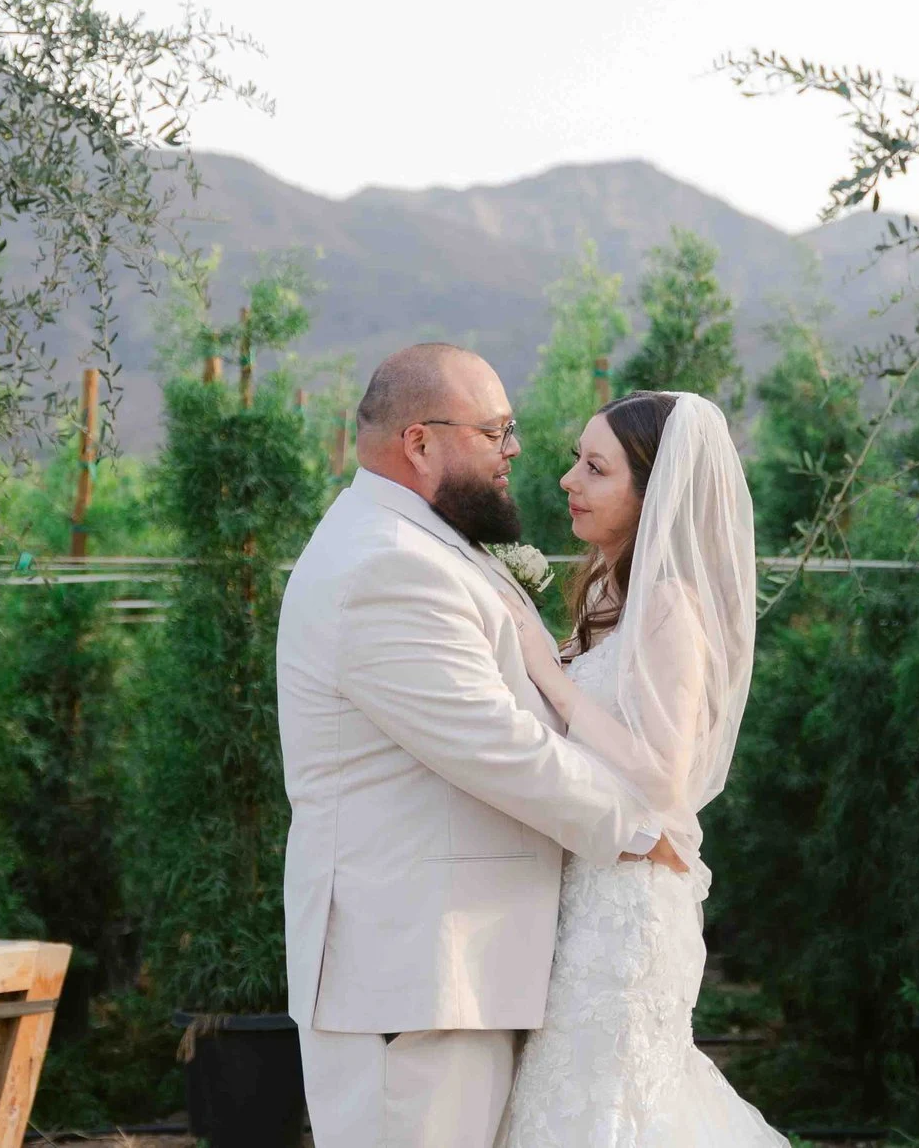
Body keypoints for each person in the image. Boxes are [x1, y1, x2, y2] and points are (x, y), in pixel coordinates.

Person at [279, 344, 687, 1148]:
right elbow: (495, 744)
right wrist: (641, 832)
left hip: (453, 973)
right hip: (413, 981)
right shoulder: (386, 566)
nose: (516, 450)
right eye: (496, 430)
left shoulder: (420, 543)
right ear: (421, 441)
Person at [496, 389, 786, 1148]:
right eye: (574, 460)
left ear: (651, 491)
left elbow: (663, 777)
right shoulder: (606, 593)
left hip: (629, 909)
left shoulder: (671, 607)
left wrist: (550, 673)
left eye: (596, 468)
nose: (569, 480)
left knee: (614, 1106)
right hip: (583, 888)